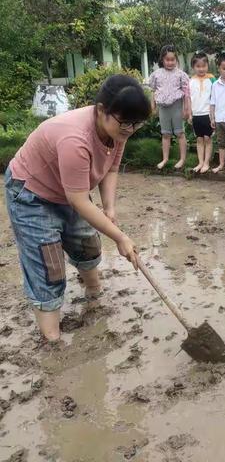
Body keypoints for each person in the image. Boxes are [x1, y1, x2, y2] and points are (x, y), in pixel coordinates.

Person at [4, 75, 150, 341]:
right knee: (50, 266)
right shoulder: (75, 138)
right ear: (101, 110)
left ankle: (94, 295)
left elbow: (111, 168)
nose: (130, 129)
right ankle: (53, 341)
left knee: (87, 243)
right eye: (125, 122)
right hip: (32, 193)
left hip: (69, 190)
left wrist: (109, 207)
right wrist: (120, 237)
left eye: (136, 124)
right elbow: (79, 201)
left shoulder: (118, 129)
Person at [149, 44, 191, 170]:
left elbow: (186, 94)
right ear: (162, 59)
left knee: (180, 133)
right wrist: (153, 106)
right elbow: (153, 90)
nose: (170, 62)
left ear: (176, 60)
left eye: (173, 59)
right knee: (165, 134)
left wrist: (186, 109)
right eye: (167, 59)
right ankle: (165, 158)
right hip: (163, 108)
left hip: (177, 107)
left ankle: (182, 159)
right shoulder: (156, 74)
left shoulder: (181, 75)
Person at [189, 52, 216, 173]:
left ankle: (206, 163)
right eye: (198, 66)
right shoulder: (190, 81)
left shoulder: (212, 80)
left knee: (208, 138)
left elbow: (216, 98)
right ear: (193, 67)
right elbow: (189, 99)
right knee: (199, 139)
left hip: (208, 115)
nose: (201, 69)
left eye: (203, 66)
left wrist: (214, 115)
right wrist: (189, 114)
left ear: (207, 66)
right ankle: (200, 162)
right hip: (196, 115)